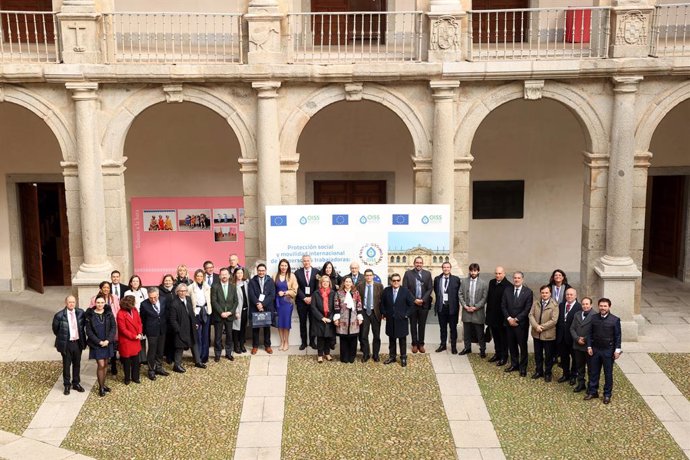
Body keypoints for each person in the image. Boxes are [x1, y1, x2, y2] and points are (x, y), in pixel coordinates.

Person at [585, 298, 622, 404]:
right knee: (593, 372)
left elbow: (618, 336)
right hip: (595, 350)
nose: (603, 308)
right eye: (601, 306)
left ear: (609, 307)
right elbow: (589, 334)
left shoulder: (615, 320)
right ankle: (593, 391)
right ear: (598, 306)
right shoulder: (593, 318)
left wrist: (617, 350)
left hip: (608, 351)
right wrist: (589, 347)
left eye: (605, 306)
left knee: (608, 374)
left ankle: (607, 394)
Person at [52, 295, 86, 395]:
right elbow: (55, 329)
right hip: (66, 344)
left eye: (73, 302)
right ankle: (67, 385)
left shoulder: (80, 313)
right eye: (69, 302)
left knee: (77, 364)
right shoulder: (59, 315)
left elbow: (83, 325)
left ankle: (76, 383)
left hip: (77, 343)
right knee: (66, 365)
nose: (71, 304)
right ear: (66, 303)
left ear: (75, 303)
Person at [501, 271, 533, 377]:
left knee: (522, 346)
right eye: (515, 278)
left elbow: (527, 308)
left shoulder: (528, 292)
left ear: (522, 279)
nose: (516, 279)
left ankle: (523, 367)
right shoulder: (507, 290)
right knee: (512, 345)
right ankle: (514, 364)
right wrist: (509, 319)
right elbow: (503, 306)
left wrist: (517, 319)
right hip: (509, 323)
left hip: (521, 325)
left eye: (519, 278)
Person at [169, 283, 206, 372]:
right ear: (177, 292)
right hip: (181, 328)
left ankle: (198, 361)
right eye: (181, 291)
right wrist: (178, 329)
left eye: (184, 291)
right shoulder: (174, 303)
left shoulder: (188, 299)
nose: (183, 293)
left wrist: (195, 323)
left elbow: (192, 313)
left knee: (194, 343)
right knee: (180, 347)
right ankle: (176, 366)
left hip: (190, 326)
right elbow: (172, 320)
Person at [85, 295, 115, 397]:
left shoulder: (109, 313)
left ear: (104, 303)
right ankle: (101, 387)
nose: (100, 304)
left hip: (107, 343)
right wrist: (99, 342)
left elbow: (113, 328)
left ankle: (103, 383)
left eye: (102, 302)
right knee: (101, 365)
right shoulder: (90, 315)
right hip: (96, 344)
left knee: (106, 364)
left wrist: (108, 340)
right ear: (95, 303)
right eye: (98, 302)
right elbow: (89, 331)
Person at [382, 273, 416, 367]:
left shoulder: (405, 291)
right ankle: (392, 357)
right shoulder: (386, 290)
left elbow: (412, 305)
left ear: (400, 281)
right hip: (390, 320)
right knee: (391, 340)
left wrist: (406, 315)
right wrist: (385, 313)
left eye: (398, 280)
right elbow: (382, 304)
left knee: (402, 341)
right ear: (391, 281)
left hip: (401, 320)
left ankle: (403, 357)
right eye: (394, 280)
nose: (396, 282)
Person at [528, 285, 559, 382]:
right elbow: (530, 315)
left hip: (548, 335)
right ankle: (539, 371)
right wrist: (536, 326)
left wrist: (542, 327)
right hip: (536, 333)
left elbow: (554, 320)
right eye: (542, 293)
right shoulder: (536, 303)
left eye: (546, 293)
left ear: (550, 293)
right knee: (538, 354)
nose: (544, 294)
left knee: (548, 355)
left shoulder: (554, 305)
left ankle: (548, 373)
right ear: (540, 293)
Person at [402, 256, 433, 353]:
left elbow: (430, 288)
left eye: (420, 263)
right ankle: (414, 344)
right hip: (412, 304)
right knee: (413, 325)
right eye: (417, 262)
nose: (419, 264)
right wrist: (414, 300)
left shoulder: (427, 274)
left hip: (424, 304)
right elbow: (405, 289)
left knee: (422, 325)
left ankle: (421, 344)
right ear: (414, 263)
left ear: (422, 264)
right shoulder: (408, 274)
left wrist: (423, 299)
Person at [89, 281, 120, 376]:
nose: (106, 289)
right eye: (104, 287)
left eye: (108, 287)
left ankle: (113, 364)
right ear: (101, 288)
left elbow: (118, 309)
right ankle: (103, 366)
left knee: (113, 345)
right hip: (100, 325)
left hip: (112, 324)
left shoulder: (114, 297)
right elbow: (91, 311)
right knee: (102, 348)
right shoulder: (95, 299)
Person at [458, 263, 489, 357]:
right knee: (466, 332)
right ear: (469, 271)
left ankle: (482, 350)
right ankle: (467, 348)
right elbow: (460, 294)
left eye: (475, 271)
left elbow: (485, 298)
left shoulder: (484, 283)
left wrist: (476, 307)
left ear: (478, 271)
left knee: (480, 333)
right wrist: (465, 305)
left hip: (478, 312)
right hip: (466, 310)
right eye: (471, 270)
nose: (473, 272)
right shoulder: (464, 282)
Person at [140, 286, 170, 381]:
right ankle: (151, 370)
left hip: (162, 329)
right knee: (152, 351)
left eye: (155, 297)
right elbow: (143, 319)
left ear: (158, 295)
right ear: (148, 296)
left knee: (160, 350)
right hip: (151, 331)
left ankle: (159, 367)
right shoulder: (144, 304)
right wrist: (144, 331)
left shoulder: (164, 300)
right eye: (150, 298)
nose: (153, 299)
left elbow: (166, 313)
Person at [433, 262, 461, 354]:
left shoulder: (456, 279)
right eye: (444, 267)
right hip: (442, 307)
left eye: (448, 267)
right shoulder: (437, 279)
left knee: (453, 328)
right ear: (442, 268)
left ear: (450, 268)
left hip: (452, 308)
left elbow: (459, 294)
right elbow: (436, 292)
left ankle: (453, 346)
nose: (446, 269)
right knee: (443, 328)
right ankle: (443, 345)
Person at [248, 263, 276, 355]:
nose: (261, 272)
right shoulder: (252, 281)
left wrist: (262, 304)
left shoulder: (270, 280)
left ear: (265, 271)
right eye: (259, 270)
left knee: (266, 327)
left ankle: (267, 346)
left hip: (267, 307)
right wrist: (258, 304)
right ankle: (255, 346)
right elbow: (251, 294)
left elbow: (272, 295)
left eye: (263, 270)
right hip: (255, 307)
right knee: (255, 328)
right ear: (257, 271)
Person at [333, 277, 363, 364]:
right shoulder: (339, 293)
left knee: (353, 339)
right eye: (346, 281)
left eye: (350, 282)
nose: (348, 283)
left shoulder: (356, 293)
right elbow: (336, 305)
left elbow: (359, 304)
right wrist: (336, 318)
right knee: (343, 339)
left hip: (353, 318)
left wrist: (360, 316)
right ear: (344, 283)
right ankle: (344, 357)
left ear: (352, 283)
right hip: (343, 318)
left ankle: (352, 356)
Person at [211, 268, 238, 361]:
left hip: (230, 316)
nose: (224, 276)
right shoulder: (215, 287)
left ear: (229, 275)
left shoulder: (233, 286)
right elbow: (213, 301)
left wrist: (230, 312)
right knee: (218, 336)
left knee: (229, 336)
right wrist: (221, 312)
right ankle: (217, 354)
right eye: (222, 274)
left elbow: (236, 301)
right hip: (219, 315)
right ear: (219, 276)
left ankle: (228, 353)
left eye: (226, 274)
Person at [486, 266, 511, 365]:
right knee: (495, 337)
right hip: (492, 316)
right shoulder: (492, 282)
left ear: (504, 274)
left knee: (503, 339)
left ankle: (504, 357)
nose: (498, 275)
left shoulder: (508, 286)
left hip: (502, 317)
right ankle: (497, 354)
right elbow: (489, 300)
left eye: (500, 273)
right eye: (496, 273)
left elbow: (508, 304)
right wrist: (488, 316)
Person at [556, 287, 581, 384]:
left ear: (575, 296)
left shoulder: (579, 307)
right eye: (567, 294)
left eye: (571, 294)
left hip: (573, 338)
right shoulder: (561, 305)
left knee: (575, 358)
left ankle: (574, 375)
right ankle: (565, 374)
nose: (569, 296)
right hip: (562, 337)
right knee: (564, 357)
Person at [357, 268, 383, 362]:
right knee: (364, 335)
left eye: (370, 275)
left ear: (373, 276)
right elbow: (358, 301)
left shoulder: (379, 286)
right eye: (367, 275)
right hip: (364, 312)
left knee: (376, 336)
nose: (368, 277)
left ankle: (376, 354)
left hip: (375, 313)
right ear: (364, 276)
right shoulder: (360, 286)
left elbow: (382, 301)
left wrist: (383, 313)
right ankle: (366, 354)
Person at [117, 295, 143, 385]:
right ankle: (127, 378)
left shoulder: (134, 310)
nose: (135, 303)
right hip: (126, 341)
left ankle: (135, 377)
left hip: (136, 339)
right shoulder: (120, 313)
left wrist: (139, 333)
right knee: (127, 362)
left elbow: (139, 322)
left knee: (136, 360)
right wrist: (134, 336)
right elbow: (122, 329)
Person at [294, 255, 319, 350]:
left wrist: (312, 297)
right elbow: (297, 287)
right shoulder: (297, 273)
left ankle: (312, 342)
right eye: (304, 261)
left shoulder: (317, 272)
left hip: (314, 302)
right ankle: (303, 343)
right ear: (302, 262)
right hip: (301, 302)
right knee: (302, 323)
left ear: (311, 261)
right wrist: (304, 298)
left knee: (313, 323)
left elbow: (318, 287)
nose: (306, 262)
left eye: (308, 260)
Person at [310, 275, 336, 363]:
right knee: (320, 338)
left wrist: (330, 318)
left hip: (329, 319)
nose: (325, 283)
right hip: (319, 319)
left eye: (327, 281)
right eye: (323, 281)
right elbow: (313, 307)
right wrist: (322, 318)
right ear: (320, 283)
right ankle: (320, 355)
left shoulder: (333, 293)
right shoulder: (316, 293)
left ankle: (327, 353)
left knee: (328, 337)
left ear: (329, 283)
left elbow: (335, 307)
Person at [570, 296, 594, 393]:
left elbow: (594, 331)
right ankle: (581, 384)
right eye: (583, 304)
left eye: (587, 304)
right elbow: (572, 328)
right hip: (577, 345)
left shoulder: (595, 316)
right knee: (579, 366)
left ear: (591, 305)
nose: (585, 306)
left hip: (588, 346)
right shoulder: (577, 314)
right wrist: (577, 338)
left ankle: (591, 386)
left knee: (591, 368)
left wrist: (584, 339)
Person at [189, 269, 212, 363]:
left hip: (206, 312)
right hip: (196, 313)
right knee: (197, 336)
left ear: (204, 277)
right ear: (195, 277)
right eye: (198, 276)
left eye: (201, 276)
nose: (199, 278)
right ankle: (197, 357)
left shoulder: (207, 286)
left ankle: (205, 356)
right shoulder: (190, 287)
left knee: (205, 335)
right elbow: (188, 302)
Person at [124, 275, 148, 365]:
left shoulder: (144, 291)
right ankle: (135, 357)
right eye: (133, 281)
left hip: (143, 316)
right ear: (130, 283)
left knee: (142, 336)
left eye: (137, 281)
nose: (135, 283)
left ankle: (143, 357)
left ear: (140, 282)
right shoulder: (127, 293)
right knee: (134, 336)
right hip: (133, 316)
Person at [275, 259, 297, 351]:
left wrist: (285, 292)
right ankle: (282, 342)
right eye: (282, 265)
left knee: (286, 323)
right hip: (277, 302)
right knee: (279, 323)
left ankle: (286, 342)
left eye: (285, 265)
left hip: (287, 302)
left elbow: (295, 290)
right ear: (279, 266)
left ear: (288, 266)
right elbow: (272, 289)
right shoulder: (274, 276)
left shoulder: (291, 276)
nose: (283, 267)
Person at [233, 268, 250, 354]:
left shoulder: (246, 283)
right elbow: (233, 300)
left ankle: (242, 344)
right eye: (238, 273)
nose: (240, 275)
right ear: (235, 274)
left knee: (243, 328)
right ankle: (236, 346)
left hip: (245, 310)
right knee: (236, 329)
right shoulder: (233, 285)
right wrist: (236, 311)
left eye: (241, 273)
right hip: (237, 311)